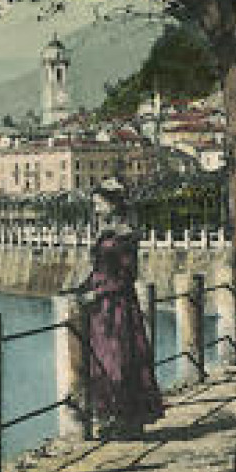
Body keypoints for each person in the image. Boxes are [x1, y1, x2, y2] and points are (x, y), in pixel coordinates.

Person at [72, 179, 163, 438]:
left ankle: (128, 420)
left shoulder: (125, 234)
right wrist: (81, 288)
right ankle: (111, 417)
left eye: (99, 203)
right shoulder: (106, 232)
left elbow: (127, 275)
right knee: (101, 362)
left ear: (113, 203)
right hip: (101, 309)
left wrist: (97, 292)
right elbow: (97, 270)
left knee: (120, 361)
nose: (96, 208)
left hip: (118, 306)